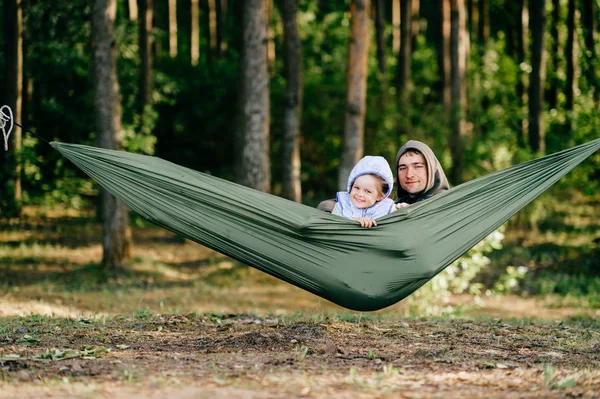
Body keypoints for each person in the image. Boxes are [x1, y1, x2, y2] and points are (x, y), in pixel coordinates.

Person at [318, 140, 449, 212]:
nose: (409, 174)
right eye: (402, 168)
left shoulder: (447, 204)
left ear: (431, 169)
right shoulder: (394, 205)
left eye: (418, 166)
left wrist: (413, 213)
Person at [331, 155, 395, 228]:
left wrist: (404, 207)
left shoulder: (387, 208)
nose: (360, 194)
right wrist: (352, 222)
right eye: (357, 188)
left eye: (368, 191)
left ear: (380, 196)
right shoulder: (342, 205)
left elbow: (402, 220)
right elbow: (333, 226)